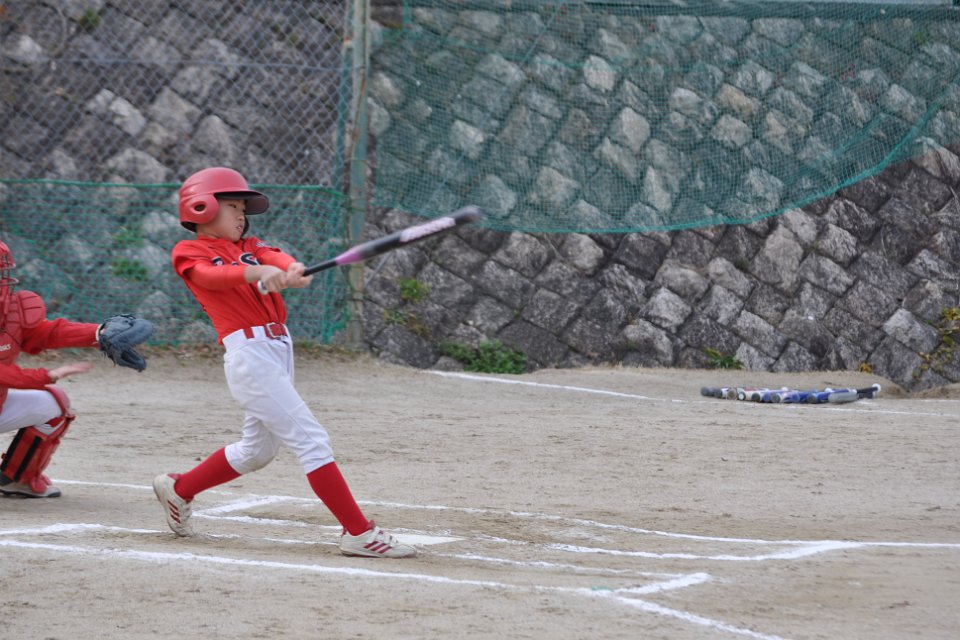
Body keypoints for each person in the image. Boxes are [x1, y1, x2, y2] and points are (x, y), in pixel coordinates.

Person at [155, 167, 416, 559]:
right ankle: (358, 532)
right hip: (249, 356)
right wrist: (259, 272)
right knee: (312, 441)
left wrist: (290, 268)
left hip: (277, 350)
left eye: (242, 208)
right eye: (232, 206)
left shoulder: (251, 245)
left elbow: (273, 256)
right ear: (202, 207)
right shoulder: (190, 251)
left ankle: (180, 489)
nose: (241, 214)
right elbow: (211, 277)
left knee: (256, 452)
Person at [0, 240, 152, 498]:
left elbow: (45, 333)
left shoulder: (11, 312)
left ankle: (17, 478)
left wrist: (98, 333)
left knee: (54, 404)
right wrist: (44, 376)